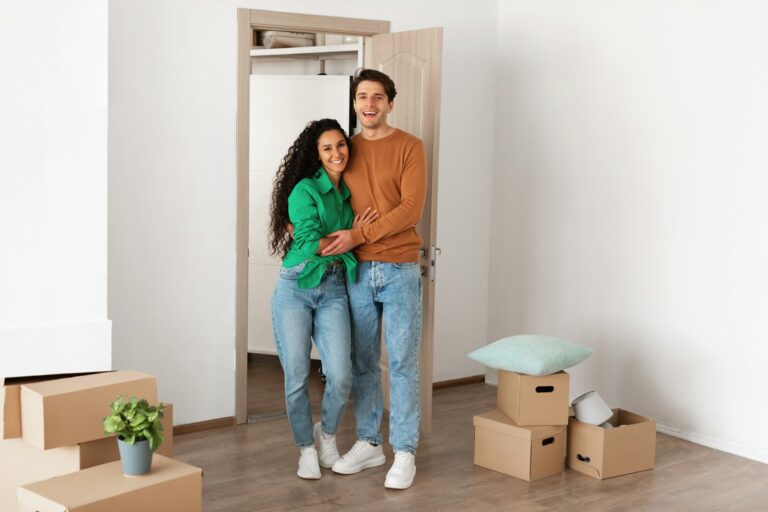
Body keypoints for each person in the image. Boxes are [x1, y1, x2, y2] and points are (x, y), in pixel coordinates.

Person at [322, 69, 428, 490]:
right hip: (356, 270)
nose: (369, 104)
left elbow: (409, 210)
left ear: (390, 103)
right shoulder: (344, 150)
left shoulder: (410, 147)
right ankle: (369, 442)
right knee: (362, 362)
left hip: (400, 268)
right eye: (362, 96)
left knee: (401, 363)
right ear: (354, 102)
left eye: (378, 97)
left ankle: (404, 452)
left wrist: (359, 234)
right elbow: (324, 196)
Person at [269, 118, 378, 480]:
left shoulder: (350, 193)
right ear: (316, 155)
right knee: (297, 376)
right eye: (327, 148)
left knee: (341, 374)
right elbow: (307, 242)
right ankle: (305, 449)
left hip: (333, 288)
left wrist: (348, 234)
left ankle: (326, 435)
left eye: (341, 145)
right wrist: (352, 235)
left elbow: (325, 239)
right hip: (296, 286)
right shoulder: (303, 190)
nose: (336, 153)